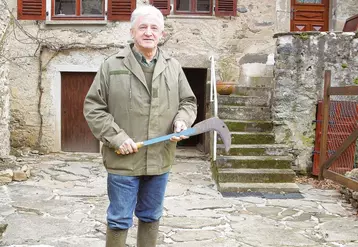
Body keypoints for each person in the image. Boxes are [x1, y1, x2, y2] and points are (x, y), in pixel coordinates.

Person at [83, 5, 197, 247]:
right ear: (132, 31)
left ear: (161, 34)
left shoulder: (173, 66)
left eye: (154, 28)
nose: (148, 32)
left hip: (159, 158)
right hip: (123, 158)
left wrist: (182, 121)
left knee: (151, 216)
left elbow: (188, 101)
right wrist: (116, 138)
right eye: (143, 27)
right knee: (119, 218)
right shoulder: (111, 66)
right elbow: (93, 107)